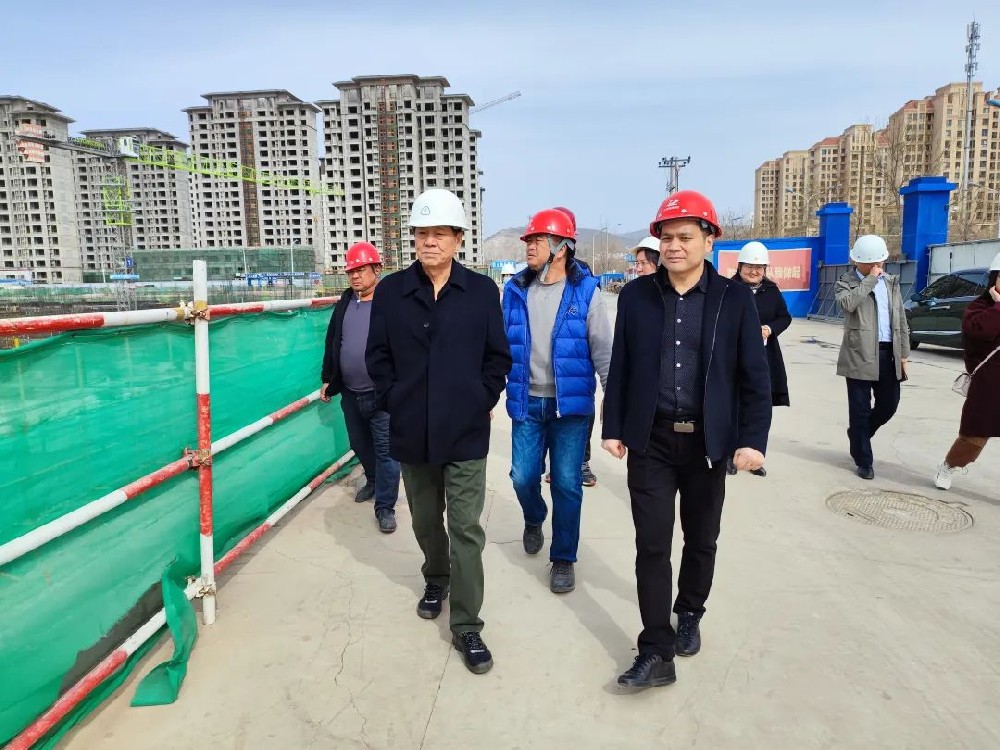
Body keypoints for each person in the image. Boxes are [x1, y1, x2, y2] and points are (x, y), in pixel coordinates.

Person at [601, 190, 771, 690]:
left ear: (709, 240)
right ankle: (656, 649)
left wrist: (751, 439)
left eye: (685, 237)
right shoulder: (636, 297)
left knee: (701, 538)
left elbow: (753, 376)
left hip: (707, 444)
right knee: (652, 544)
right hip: (651, 440)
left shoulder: (733, 299)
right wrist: (613, 426)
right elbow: (621, 365)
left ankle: (690, 612)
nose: (674, 246)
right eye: (667, 238)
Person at [366, 188, 512, 675]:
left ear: (457, 239)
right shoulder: (392, 292)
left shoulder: (481, 292)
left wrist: (481, 399)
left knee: (465, 527)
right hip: (413, 431)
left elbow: (498, 358)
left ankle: (467, 625)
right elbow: (377, 357)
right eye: (422, 233)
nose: (430, 242)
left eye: (440, 234)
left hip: (465, 432)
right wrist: (395, 400)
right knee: (426, 521)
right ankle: (436, 577)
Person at [503, 208, 613, 594]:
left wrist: (611, 400)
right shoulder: (515, 290)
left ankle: (564, 557)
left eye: (537, 240)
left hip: (570, 407)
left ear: (561, 247)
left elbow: (603, 351)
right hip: (527, 402)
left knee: (567, 483)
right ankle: (534, 516)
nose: (529, 246)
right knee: (522, 477)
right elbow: (499, 346)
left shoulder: (586, 292)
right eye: (528, 240)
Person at [320, 242, 400, 533]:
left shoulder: (391, 304)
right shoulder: (345, 301)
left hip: (382, 395)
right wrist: (328, 378)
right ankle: (373, 481)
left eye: (361, 269)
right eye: (351, 271)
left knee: (387, 452)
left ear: (376, 269)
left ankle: (385, 507)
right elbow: (333, 340)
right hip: (351, 393)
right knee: (359, 444)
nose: (355, 276)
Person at [835, 235, 910, 480]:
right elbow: (847, 304)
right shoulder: (845, 282)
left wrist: (904, 354)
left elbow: (900, 319)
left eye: (880, 261)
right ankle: (864, 461)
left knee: (889, 405)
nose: (878, 266)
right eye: (872, 263)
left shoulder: (890, 282)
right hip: (859, 352)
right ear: (858, 262)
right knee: (859, 409)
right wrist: (869, 280)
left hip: (889, 352)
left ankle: (858, 435)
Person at [934, 251, 1000, 489]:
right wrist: (999, 307)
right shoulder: (979, 307)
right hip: (988, 385)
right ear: (994, 279)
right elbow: (981, 331)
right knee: (974, 437)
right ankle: (949, 465)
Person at [726, 240, 792, 478]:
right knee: (734, 406)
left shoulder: (771, 290)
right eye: (749, 267)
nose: (754, 271)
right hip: (733, 357)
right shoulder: (729, 290)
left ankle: (754, 456)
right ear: (740, 266)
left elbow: (784, 317)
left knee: (760, 406)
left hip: (765, 356)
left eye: (759, 267)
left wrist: (770, 329)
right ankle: (730, 455)